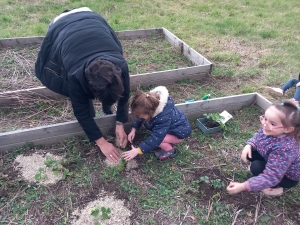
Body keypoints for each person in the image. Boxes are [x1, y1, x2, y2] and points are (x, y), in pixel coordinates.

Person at [35, 7, 130, 162]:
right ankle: (98, 113)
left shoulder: (120, 66)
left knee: (106, 96)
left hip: (90, 16)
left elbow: (125, 95)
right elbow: (81, 113)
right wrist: (101, 142)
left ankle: (107, 110)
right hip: (61, 25)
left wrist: (120, 122)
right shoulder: (75, 76)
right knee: (81, 101)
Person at [227, 100, 300, 196]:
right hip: (274, 159)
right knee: (250, 152)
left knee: (256, 167)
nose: (265, 124)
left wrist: (243, 186)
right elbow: (258, 137)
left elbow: (272, 177)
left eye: (273, 123)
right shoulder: (270, 129)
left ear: (287, 129)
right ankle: (265, 166)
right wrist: (250, 145)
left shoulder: (285, 149)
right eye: (265, 118)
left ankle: (277, 189)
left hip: (286, 176)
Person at [122, 86, 192, 161]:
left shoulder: (162, 118)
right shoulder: (151, 106)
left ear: (151, 113)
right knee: (156, 135)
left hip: (179, 133)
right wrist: (133, 129)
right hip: (172, 127)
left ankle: (170, 151)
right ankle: (167, 141)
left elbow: (157, 138)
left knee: (159, 141)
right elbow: (139, 117)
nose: (139, 117)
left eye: (141, 116)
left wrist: (138, 150)